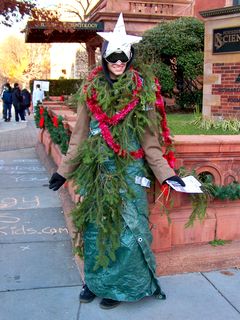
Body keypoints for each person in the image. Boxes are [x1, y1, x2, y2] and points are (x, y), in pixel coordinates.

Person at [49, 13, 185, 310]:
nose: (119, 63)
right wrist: (63, 172)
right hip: (99, 173)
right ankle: (95, 281)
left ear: (130, 58)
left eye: (125, 58)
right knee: (97, 229)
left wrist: (167, 174)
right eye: (114, 57)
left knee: (128, 232)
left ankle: (119, 286)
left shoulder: (142, 92)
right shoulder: (92, 91)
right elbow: (80, 136)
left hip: (130, 172)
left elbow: (151, 142)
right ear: (105, 57)